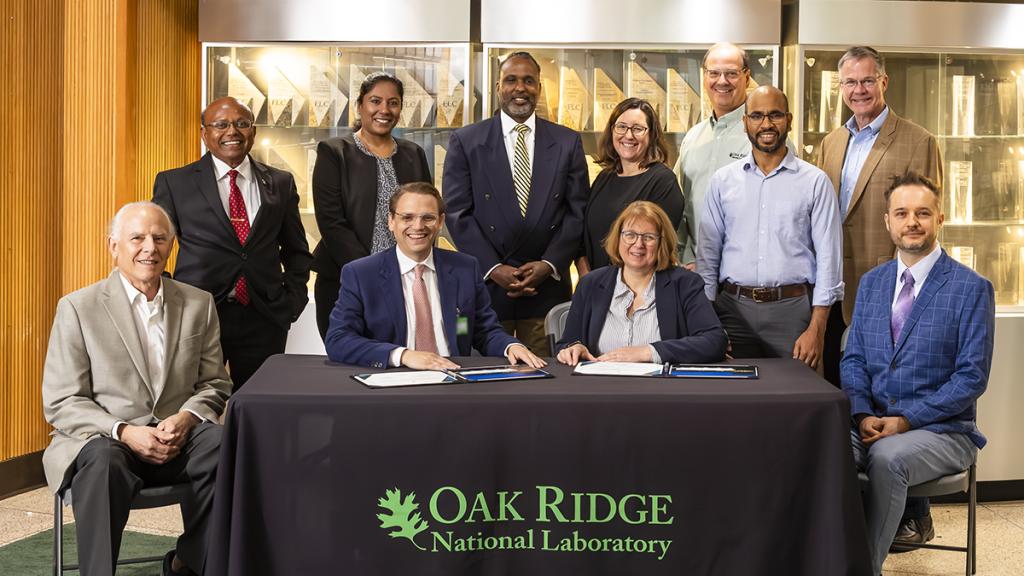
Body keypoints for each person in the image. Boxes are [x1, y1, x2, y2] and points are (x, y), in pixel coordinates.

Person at [42, 202, 232, 576]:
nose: (150, 247)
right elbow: (63, 399)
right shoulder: (78, 308)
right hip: (108, 440)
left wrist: (186, 417)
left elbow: (214, 381)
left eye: (160, 238)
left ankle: (189, 563)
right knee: (102, 464)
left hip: (177, 438)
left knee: (230, 445)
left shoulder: (199, 304)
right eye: (137, 238)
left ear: (171, 245)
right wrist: (125, 431)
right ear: (114, 246)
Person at [819, 46, 943, 543]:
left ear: (883, 82)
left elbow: (928, 216)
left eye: (867, 81)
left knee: (900, 392)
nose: (858, 91)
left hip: (894, 287)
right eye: (849, 83)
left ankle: (916, 514)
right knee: (852, 396)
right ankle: (862, 510)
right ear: (840, 88)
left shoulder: (916, 139)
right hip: (837, 289)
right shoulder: (830, 142)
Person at [842, 172, 992, 576]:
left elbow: (971, 377)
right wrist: (861, 415)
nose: (912, 222)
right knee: (821, 447)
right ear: (887, 222)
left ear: (940, 219)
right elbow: (853, 360)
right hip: (870, 422)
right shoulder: (871, 284)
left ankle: (863, 569)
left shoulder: (971, 288)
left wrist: (906, 420)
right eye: (902, 213)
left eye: (922, 213)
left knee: (888, 459)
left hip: (944, 430)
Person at [153, 96, 312, 390]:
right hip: (198, 312)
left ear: (253, 131)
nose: (232, 132)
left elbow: (297, 251)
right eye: (221, 124)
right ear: (204, 132)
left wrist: (292, 302)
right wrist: (168, 299)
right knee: (192, 404)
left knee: (262, 405)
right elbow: (155, 245)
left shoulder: (279, 182)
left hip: (264, 315)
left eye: (242, 124)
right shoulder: (175, 183)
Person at [443, 51, 589, 356]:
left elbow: (577, 213)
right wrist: (494, 267)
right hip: (487, 289)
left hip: (545, 289)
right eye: (511, 80)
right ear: (498, 87)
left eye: (528, 81)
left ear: (539, 87)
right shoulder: (466, 140)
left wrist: (549, 265)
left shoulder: (567, 141)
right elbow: (458, 214)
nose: (519, 88)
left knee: (546, 382)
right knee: (486, 381)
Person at [325, 182, 545, 370]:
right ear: (391, 221)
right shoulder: (361, 273)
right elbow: (338, 339)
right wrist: (403, 355)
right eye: (407, 217)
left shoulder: (465, 268)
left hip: (455, 379)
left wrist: (511, 346)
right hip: (393, 382)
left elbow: (483, 330)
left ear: (440, 222)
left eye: (427, 218)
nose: (418, 226)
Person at [697, 86, 842, 368]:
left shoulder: (815, 182)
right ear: (745, 122)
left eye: (775, 115)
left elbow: (829, 261)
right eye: (757, 116)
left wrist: (817, 328)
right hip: (732, 311)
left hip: (794, 313)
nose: (766, 124)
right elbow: (708, 257)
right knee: (733, 404)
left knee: (797, 403)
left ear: (788, 119)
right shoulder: (722, 181)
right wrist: (709, 322)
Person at [311, 72, 432, 340]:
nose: (384, 110)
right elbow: (332, 222)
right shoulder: (334, 152)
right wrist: (372, 273)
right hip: (345, 281)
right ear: (360, 105)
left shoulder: (414, 154)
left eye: (393, 103)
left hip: (406, 282)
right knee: (347, 364)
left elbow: (426, 216)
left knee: (403, 359)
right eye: (375, 101)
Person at [556, 201, 726, 366]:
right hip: (600, 387)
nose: (638, 244)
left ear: (662, 243)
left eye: (649, 237)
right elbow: (568, 343)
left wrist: (648, 352)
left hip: (663, 389)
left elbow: (714, 340)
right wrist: (573, 348)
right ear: (618, 238)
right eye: (630, 235)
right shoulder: (590, 284)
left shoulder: (685, 284)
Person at [579, 98, 683, 274]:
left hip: (636, 291)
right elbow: (583, 237)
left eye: (637, 129)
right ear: (612, 130)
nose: (628, 135)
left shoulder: (663, 182)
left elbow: (653, 249)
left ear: (652, 135)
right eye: (621, 127)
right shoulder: (604, 177)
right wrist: (588, 281)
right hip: (596, 287)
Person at [673, 42, 753, 268]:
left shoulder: (765, 135)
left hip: (744, 278)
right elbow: (678, 204)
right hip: (695, 272)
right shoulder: (692, 137)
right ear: (704, 77)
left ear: (747, 77)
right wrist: (686, 257)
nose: (722, 81)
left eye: (731, 74)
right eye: (714, 73)